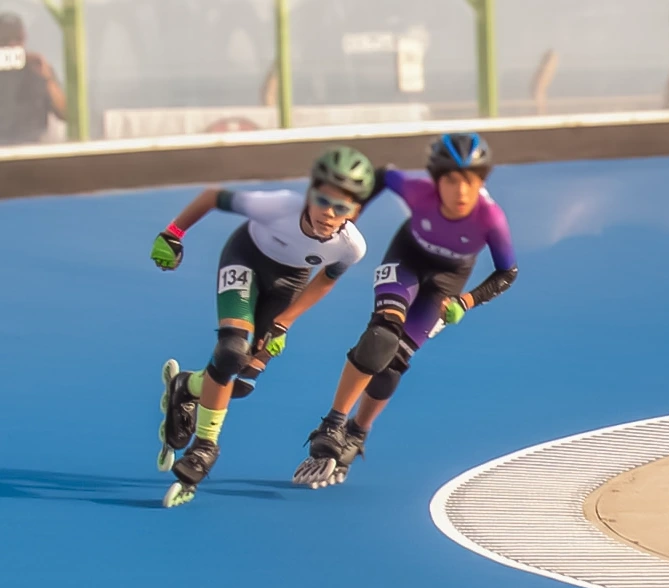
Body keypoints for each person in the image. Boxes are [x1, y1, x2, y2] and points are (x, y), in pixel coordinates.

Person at [148, 147, 376, 508]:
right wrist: (173, 233)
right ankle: (205, 447)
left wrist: (284, 322)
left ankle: (187, 386)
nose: (329, 214)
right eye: (322, 201)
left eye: (341, 208)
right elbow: (213, 196)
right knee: (231, 352)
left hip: (289, 285)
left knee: (241, 384)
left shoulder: (352, 247)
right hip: (246, 259)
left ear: (356, 212)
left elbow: (325, 280)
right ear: (309, 195)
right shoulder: (278, 206)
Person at [292, 132, 517, 489]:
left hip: (446, 283)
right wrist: (353, 217)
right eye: (452, 180)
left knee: (393, 364)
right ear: (436, 180)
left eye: (471, 181)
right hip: (407, 259)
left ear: (482, 181)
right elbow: (382, 175)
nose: (461, 191)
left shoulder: (490, 219)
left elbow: (507, 272)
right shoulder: (417, 191)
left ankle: (358, 433)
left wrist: (466, 301)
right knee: (381, 337)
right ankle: (333, 423)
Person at [0, 12, 67, 145]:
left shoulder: (37, 69)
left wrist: (47, 78)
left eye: (17, 39)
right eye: (5, 40)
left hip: (34, 149)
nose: (12, 44)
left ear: (24, 39)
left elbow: (65, 113)